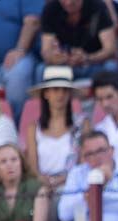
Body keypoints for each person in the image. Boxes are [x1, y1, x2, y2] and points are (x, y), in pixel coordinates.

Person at [25, 66, 82, 210]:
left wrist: (63, 180)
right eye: (55, 89)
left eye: (65, 90)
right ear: (46, 93)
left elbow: (82, 162)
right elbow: (33, 167)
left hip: (72, 184)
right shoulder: (33, 128)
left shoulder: (81, 124)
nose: (60, 94)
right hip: (43, 186)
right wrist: (45, 182)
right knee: (42, 197)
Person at [39, 0, 118, 80]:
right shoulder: (51, 9)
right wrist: (58, 58)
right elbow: (46, 51)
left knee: (111, 66)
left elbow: (110, 49)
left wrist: (88, 58)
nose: (68, 2)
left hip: (94, 63)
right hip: (64, 66)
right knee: (41, 69)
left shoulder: (97, 6)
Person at [0, 144, 49, 221]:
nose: (9, 165)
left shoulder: (38, 188)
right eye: (3, 161)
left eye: (14, 160)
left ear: (21, 163)